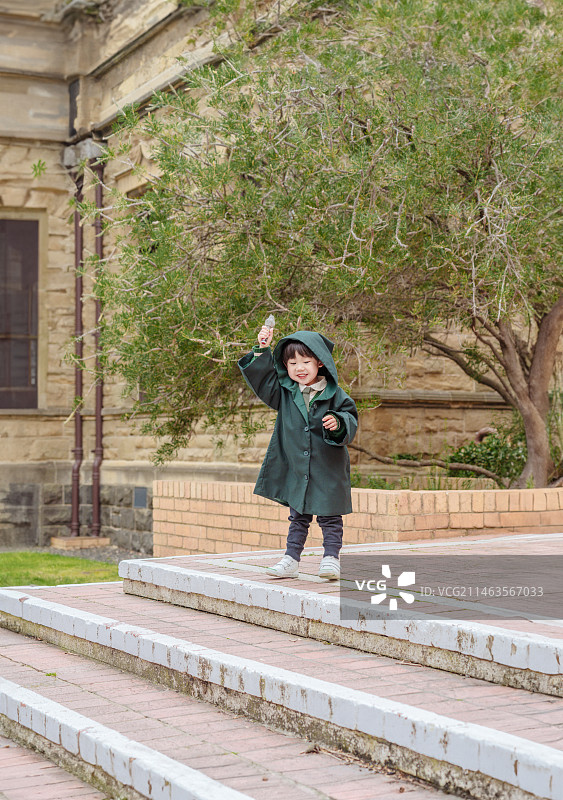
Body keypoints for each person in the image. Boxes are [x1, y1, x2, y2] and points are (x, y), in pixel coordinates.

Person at [238, 325, 358, 580]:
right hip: (297, 467)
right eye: (292, 363)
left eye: (305, 361)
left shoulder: (336, 395)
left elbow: (350, 419)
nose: (299, 368)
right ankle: (291, 559)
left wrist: (338, 423)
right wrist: (262, 349)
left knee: (329, 516)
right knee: (298, 516)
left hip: (327, 466)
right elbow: (263, 380)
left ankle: (331, 559)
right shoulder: (285, 392)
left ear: (320, 363)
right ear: (286, 366)